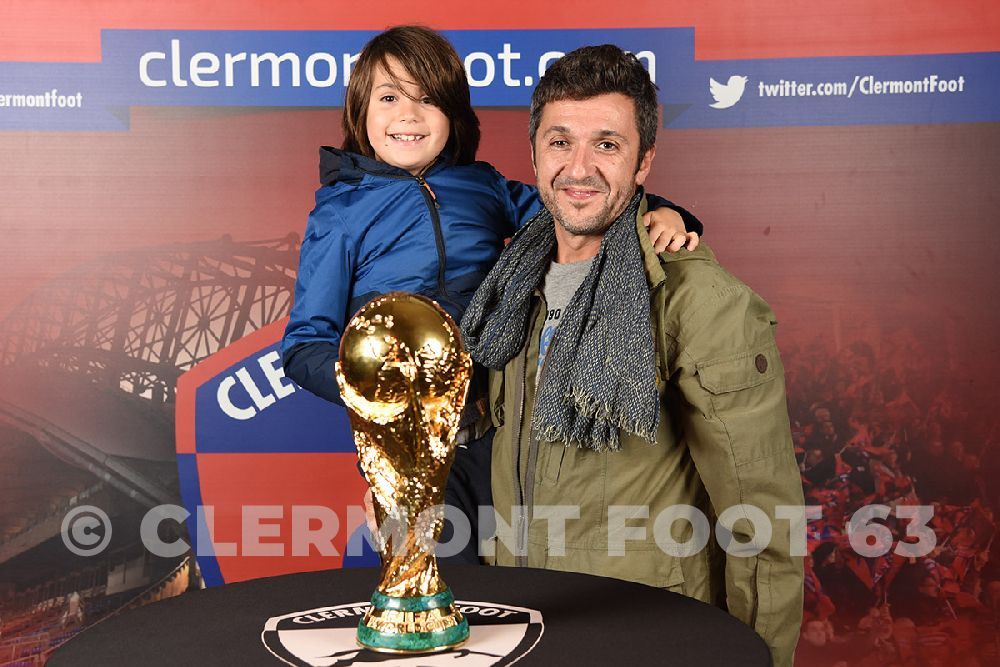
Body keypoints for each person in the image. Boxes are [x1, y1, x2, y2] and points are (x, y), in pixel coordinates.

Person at [280, 26, 703, 564]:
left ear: (454, 114)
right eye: (390, 98)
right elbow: (303, 345)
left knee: (519, 590)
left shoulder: (481, 187)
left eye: (428, 99)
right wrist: (378, 388)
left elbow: (576, 205)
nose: (408, 116)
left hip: (498, 434)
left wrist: (664, 211)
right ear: (360, 111)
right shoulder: (339, 214)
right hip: (410, 449)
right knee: (434, 592)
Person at [461, 45, 804, 665]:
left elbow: (764, 523)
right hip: (520, 628)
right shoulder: (509, 289)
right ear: (534, 151)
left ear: (645, 161)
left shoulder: (700, 303)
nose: (580, 167)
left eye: (608, 145)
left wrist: (761, 661)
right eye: (560, 141)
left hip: (645, 635)